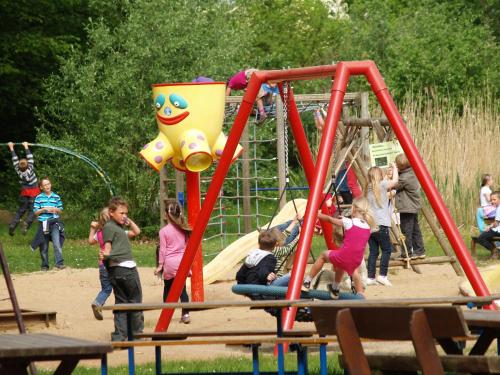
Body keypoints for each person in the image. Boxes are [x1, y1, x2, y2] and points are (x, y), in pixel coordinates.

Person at [302, 197, 376, 299]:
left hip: (344, 256)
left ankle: (307, 281)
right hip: (356, 261)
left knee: (323, 255)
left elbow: (330, 219)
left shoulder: (350, 222)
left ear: (353, 209)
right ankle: (344, 290)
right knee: (347, 267)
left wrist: (318, 215)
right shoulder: (368, 227)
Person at [101, 196, 143, 341]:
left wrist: (127, 220)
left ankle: (119, 336)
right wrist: (105, 255)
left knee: (121, 303)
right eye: (121, 213)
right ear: (111, 212)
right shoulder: (110, 227)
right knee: (135, 302)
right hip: (126, 269)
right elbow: (107, 247)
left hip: (115, 271)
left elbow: (137, 231)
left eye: (126, 213)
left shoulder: (115, 227)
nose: (124, 216)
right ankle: (136, 334)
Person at [154, 199, 192, 324]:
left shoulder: (163, 231)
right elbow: (187, 248)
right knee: (183, 290)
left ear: (166, 215)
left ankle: (167, 314)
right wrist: (189, 267)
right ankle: (185, 315)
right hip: (182, 263)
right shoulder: (184, 229)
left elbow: (163, 250)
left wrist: (160, 265)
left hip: (170, 264)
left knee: (168, 288)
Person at [365, 164, 399, 286]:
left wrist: (386, 175)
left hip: (370, 225)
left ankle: (370, 277)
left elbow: (383, 187)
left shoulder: (368, 188)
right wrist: (395, 169)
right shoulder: (382, 185)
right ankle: (383, 275)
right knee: (387, 250)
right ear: (379, 176)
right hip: (382, 224)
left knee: (374, 251)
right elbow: (395, 181)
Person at [394, 153, 426, 260]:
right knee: (415, 229)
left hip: (407, 208)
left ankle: (407, 253)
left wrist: (394, 171)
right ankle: (419, 250)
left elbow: (394, 184)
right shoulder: (412, 173)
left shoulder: (404, 178)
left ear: (400, 166)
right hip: (412, 206)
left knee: (406, 230)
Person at [7, 142, 40, 236]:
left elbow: (14, 160)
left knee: (21, 210)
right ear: (28, 165)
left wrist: (11, 148)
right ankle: (26, 223)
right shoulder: (30, 168)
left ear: (19, 166)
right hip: (33, 191)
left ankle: (13, 225)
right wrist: (26, 146)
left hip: (25, 192)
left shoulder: (18, 170)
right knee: (33, 210)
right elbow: (30, 156)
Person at [33, 177, 65, 271]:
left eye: (48, 184)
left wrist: (55, 210)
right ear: (41, 187)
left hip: (54, 223)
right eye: (45, 185)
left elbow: (60, 210)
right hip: (43, 224)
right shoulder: (38, 198)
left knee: (56, 243)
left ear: (50, 185)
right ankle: (44, 266)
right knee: (44, 246)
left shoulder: (56, 197)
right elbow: (35, 212)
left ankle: (59, 263)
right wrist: (43, 209)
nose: (47, 186)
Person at [475, 191, 500, 258]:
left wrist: (489, 226)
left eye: (494, 199)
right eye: (491, 200)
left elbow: (496, 223)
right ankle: (496, 250)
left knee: (481, 238)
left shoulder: (499, 208)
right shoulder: (497, 208)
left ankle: (494, 250)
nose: (492, 201)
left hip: (498, 230)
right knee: (486, 235)